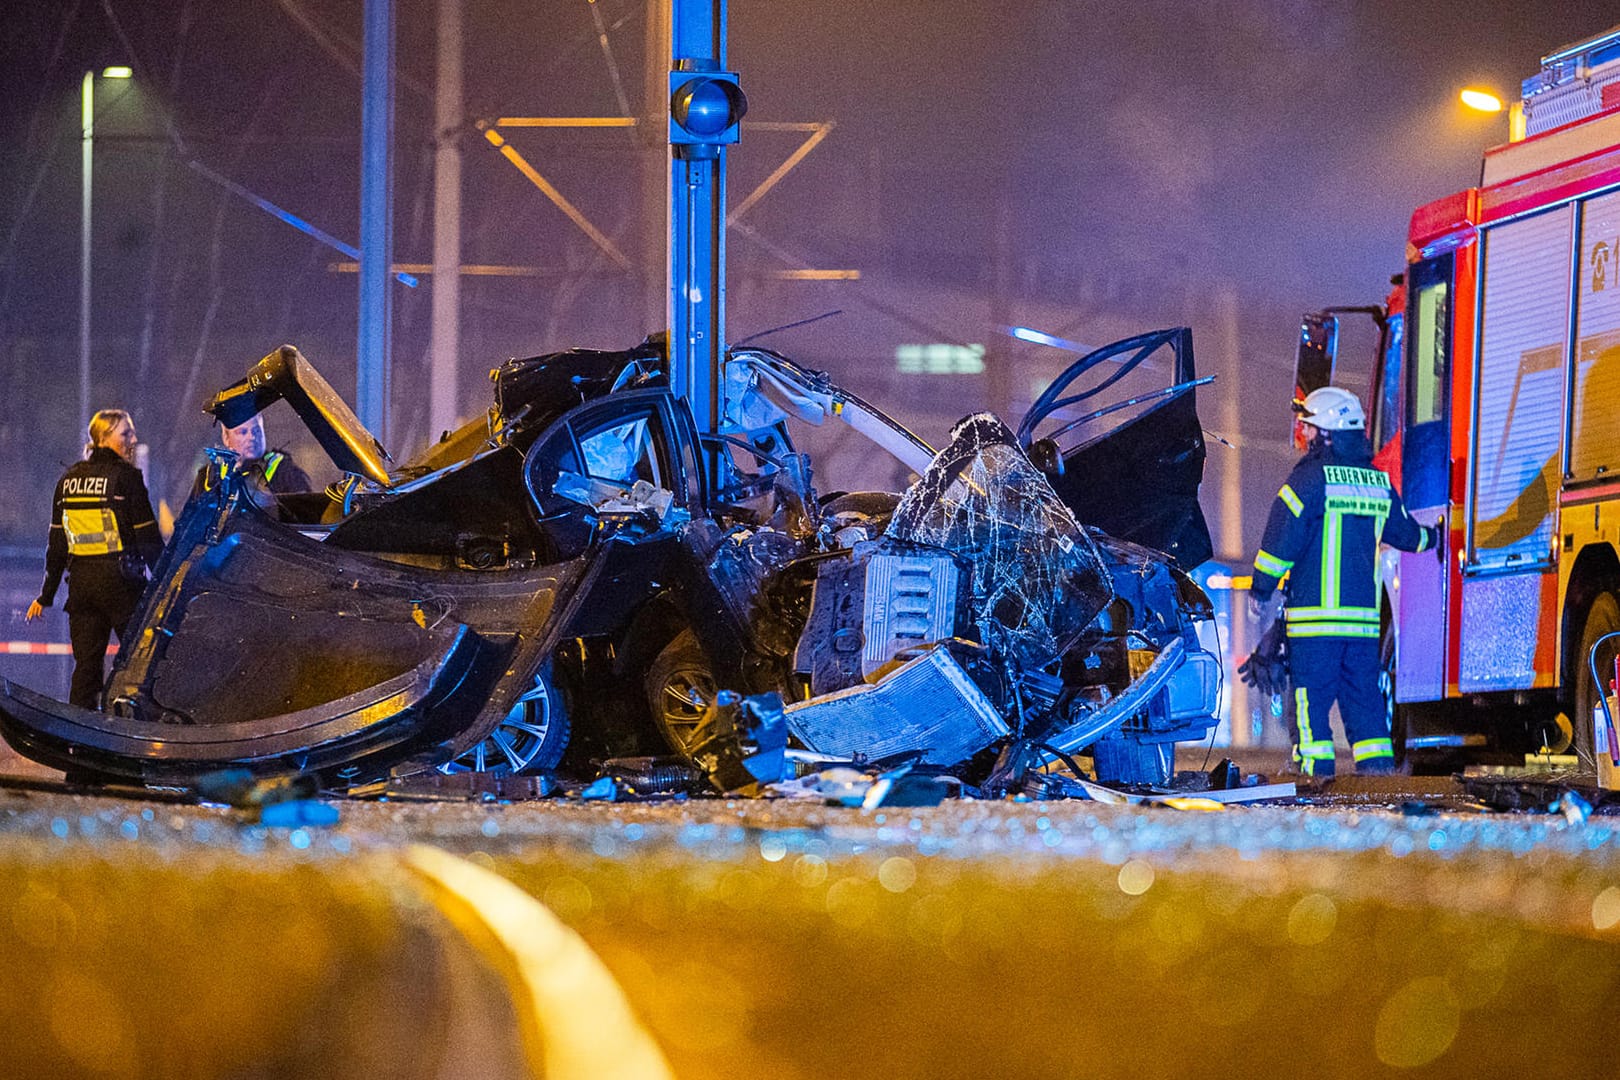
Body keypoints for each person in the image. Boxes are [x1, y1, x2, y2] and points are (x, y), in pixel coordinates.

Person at [1247, 386, 1441, 777]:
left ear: (1328, 432)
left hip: (1315, 624)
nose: (1306, 437)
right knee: (1365, 706)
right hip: (1363, 627)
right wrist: (1435, 536)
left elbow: (1280, 543)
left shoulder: (1308, 481)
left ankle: (1314, 779)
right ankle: (1379, 781)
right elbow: (1407, 536)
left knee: (1310, 706)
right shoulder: (1378, 483)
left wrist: (1261, 589)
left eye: (1309, 429)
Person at [24, 410, 164, 710]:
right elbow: (148, 539)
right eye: (125, 434)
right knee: (138, 665)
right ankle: (134, 732)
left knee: (86, 669)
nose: (133, 440)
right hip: (123, 589)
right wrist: (167, 584)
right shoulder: (127, 477)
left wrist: (46, 596)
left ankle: (80, 736)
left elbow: (57, 546)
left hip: (82, 591)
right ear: (103, 438)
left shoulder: (67, 481)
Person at [191, 413, 311, 510]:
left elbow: (305, 518)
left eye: (256, 431)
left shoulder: (284, 471)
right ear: (226, 438)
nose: (252, 437)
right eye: (243, 432)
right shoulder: (208, 477)